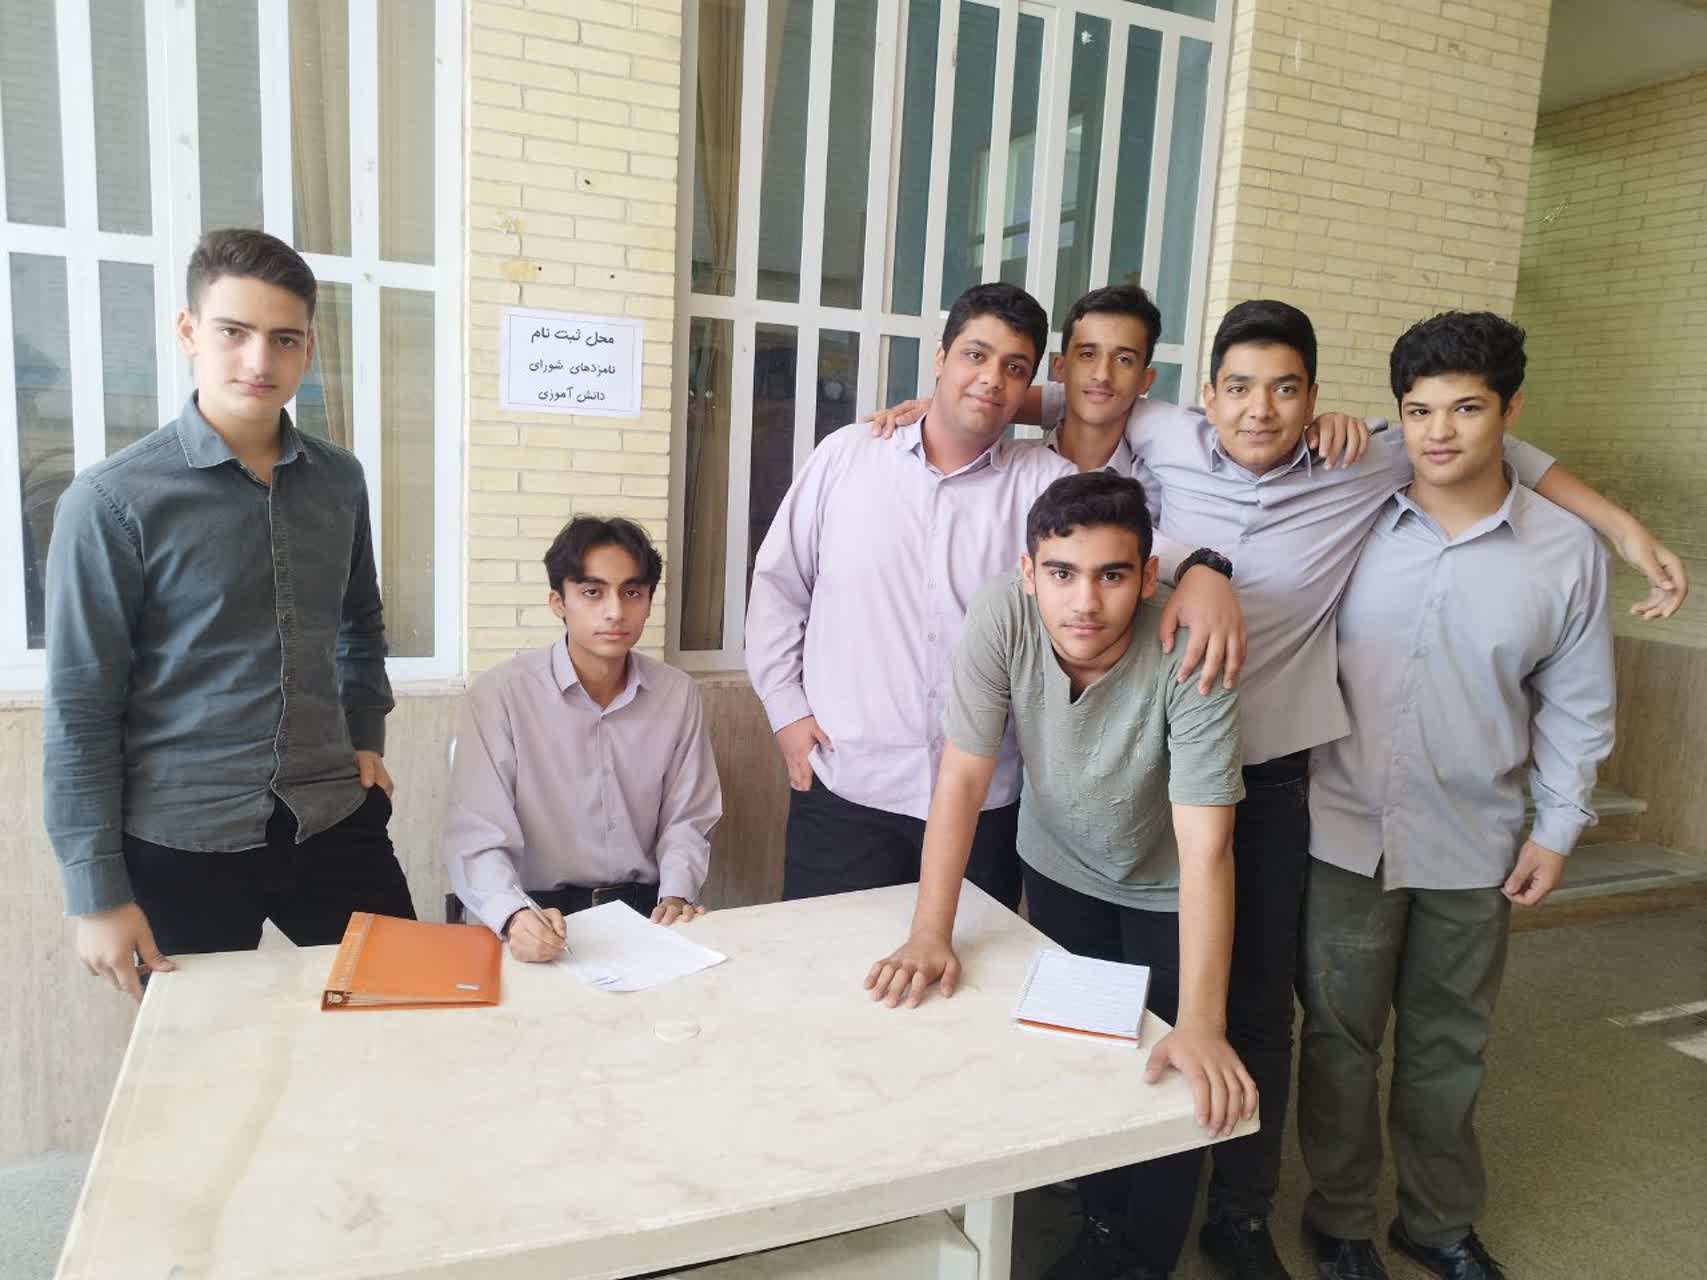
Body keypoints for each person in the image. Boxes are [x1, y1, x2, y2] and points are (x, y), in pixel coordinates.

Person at [867, 294, 1687, 1280]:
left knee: (1253, 1007)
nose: (1259, 409)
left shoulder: (1363, 460)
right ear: (1204, 395)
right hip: (1151, 763)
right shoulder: (1164, 436)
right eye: (1239, 388)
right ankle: (1107, 1190)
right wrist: (944, 402)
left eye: (1285, 389)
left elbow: (1493, 440)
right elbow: (1081, 388)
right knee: (1120, 992)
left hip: (1275, 776)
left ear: (1314, 399)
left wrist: (1624, 528)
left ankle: (1241, 1212)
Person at [866, 471, 1254, 1280]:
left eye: (1111, 575)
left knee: (1170, 1069)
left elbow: (1207, 847)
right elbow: (962, 777)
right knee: (1085, 1052)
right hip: (1059, 867)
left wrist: (1202, 1020)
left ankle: (1144, 1258)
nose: (1084, 602)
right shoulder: (999, 615)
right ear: (1027, 571)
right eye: (1061, 573)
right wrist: (930, 932)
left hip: (1166, 885)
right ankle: (1100, 1227)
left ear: (1147, 577)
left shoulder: (1189, 646)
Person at [745, 282, 1243, 910]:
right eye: (975, 356)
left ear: (1031, 386)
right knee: (828, 964)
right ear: (940, 358)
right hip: (846, 784)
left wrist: (1203, 570)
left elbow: (1124, 542)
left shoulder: (1043, 481)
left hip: (988, 801)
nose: (991, 379)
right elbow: (779, 589)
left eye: (1013, 368)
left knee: (973, 967)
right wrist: (787, 713)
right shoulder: (847, 458)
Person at [1298, 313, 1616, 1280]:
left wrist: (1556, 829)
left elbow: (1577, 705)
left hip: (1473, 839)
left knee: (1448, 1046)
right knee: (1339, 1042)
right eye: (1418, 410)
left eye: (1465, 409)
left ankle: (1435, 1222)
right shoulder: (1351, 513)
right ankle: (1340, 1219)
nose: (1438, 432)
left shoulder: (1565, 551)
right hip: (1340, 829)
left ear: (1510, 413)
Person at [43, 228, 413, 999]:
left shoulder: (339, 480)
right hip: (180, 840)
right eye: (233, 332)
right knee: (200, 1057)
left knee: (404, 1010)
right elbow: (81, 705)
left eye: (284, 339)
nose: (259, 360)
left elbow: (360, 622)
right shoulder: (111, 501)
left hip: (330, 815)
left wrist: (365, 733)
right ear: (188, 332)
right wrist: (96, 892)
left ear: (308, 350)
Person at [446, 517, 721, 960]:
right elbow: (478, 835)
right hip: (540, 914)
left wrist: (677, 895)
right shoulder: (501, 695)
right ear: (558, 602)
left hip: (647, 911)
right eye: (593, 592)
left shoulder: (677, 693)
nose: (615, 612)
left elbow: (688, 816)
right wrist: (513, 915)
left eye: (632, 592)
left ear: (649, 601)